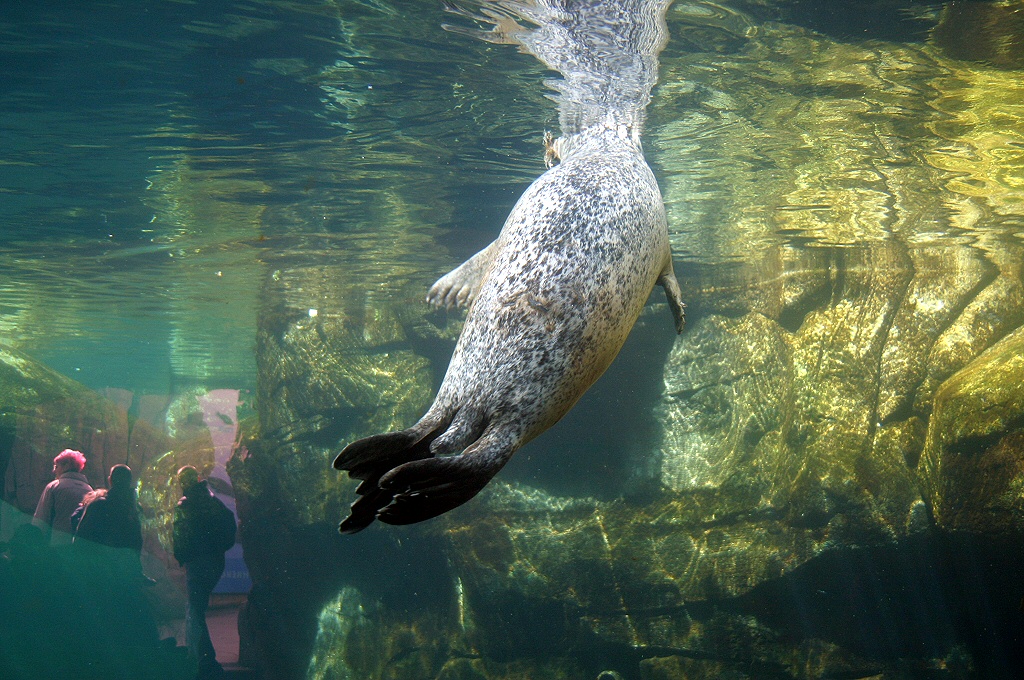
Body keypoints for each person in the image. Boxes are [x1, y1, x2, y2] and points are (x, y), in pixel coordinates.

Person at [173, 465, 236, 679]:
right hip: (216, 560)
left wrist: (182, 556)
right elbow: (229, 524)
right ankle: (202, 658)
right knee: (196, 609)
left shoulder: (185, 506)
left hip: (197, 563)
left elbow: (180, 536)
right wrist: (220, 548)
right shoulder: (212, 501)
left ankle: (203, 660)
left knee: (194, 610)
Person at [74, 464, 147, 581]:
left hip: (99, 568)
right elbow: (138, 540)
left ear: (110, 480)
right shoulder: (135, 507)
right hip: (126, 568)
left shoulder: (98, 504)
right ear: (130, 481)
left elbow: (82, 535)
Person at [33, 449, 93, 546]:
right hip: (79, 545)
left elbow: (42, 518)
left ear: (66, 466)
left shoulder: (54, 487)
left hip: (55, 543)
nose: (54, 470)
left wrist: (37, 543)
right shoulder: (89, 490)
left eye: (57, 466)